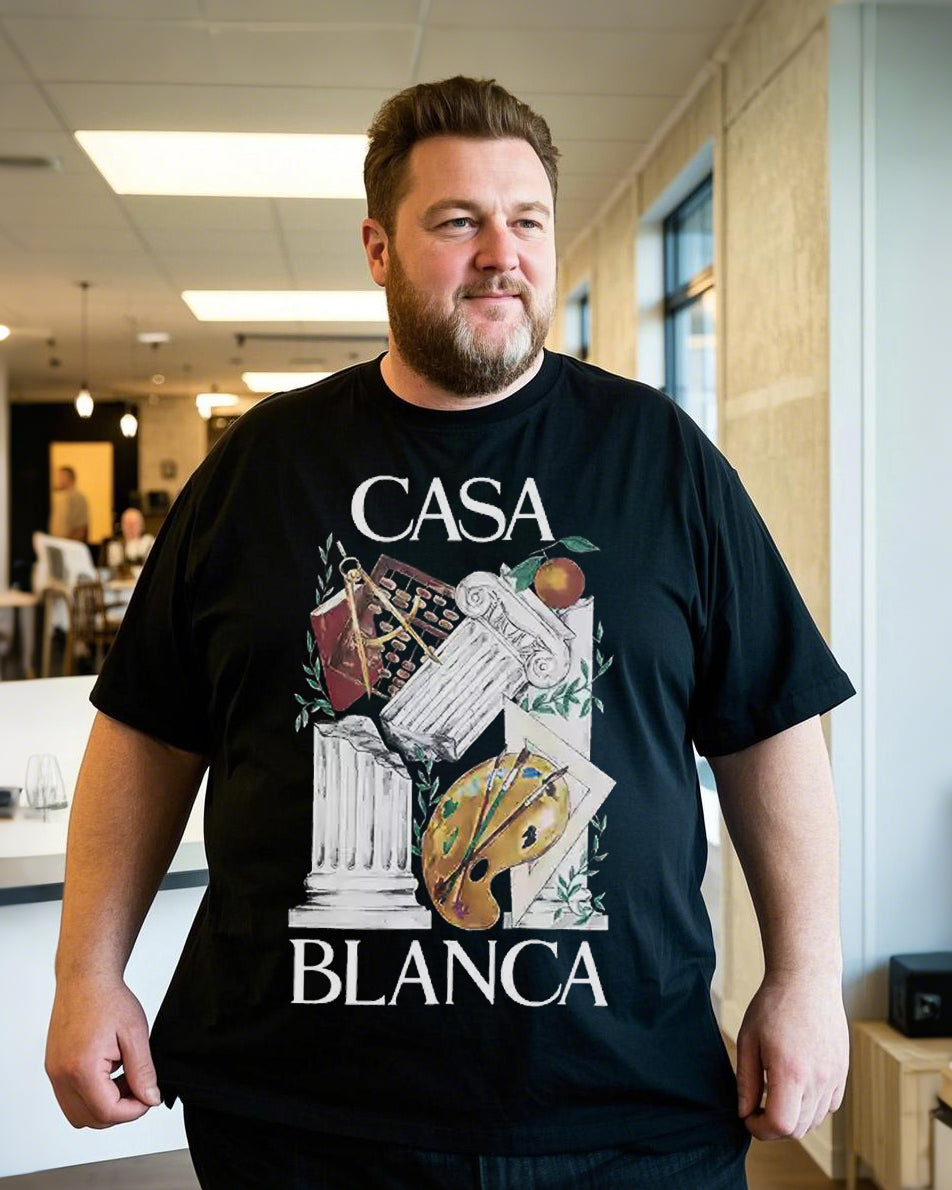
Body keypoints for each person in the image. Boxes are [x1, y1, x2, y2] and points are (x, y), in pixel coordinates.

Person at [45, 76, 855, 1190]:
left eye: (527, 221)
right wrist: (86, 973)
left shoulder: (658, 457)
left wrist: (806, 977)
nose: (501, 254)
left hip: (623, 1111)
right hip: (305, 1119)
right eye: (458, 221)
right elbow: (147, 729)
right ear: (378, 248)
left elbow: (772, 724)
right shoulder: (263, 467)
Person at [49, 465, 89, 542]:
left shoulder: (77, 497)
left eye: (61, 476)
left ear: (70, 478)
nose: (58, 479)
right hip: (54, 542)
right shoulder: (56, 496)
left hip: (67, 544)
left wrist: (68, 544)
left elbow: (80, 528)